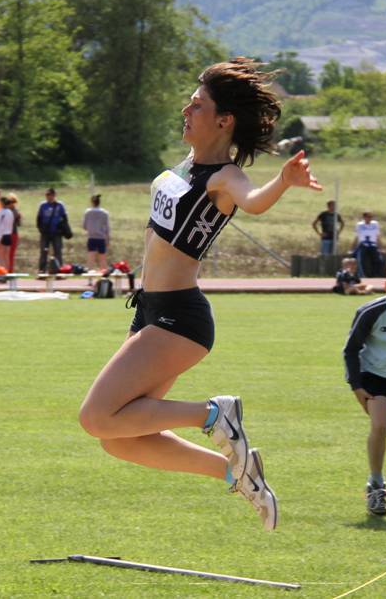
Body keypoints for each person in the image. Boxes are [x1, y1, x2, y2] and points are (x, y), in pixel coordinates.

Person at [79, 57, 322, 532]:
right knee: (119, 438)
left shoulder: (224, 178)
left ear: (223, 120)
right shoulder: (191, 163)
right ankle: (236, 471)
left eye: (198, 105)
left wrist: (285, 182)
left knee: (95, 417)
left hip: (179, 318)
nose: (187, 111)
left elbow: (252, 201)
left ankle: (215, 414)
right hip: (151, 314)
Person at [343, 257, 386, 518]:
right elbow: (351, 350)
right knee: (381, 425)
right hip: (374, 377)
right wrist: (357, 387)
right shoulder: (371, 312)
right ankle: (375, 483)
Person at [36, 187, 68, 271]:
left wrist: (61, 229)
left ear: (54, 195)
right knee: (43, 251)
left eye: (51, 195)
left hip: (56, 232)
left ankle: (59, 269)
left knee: (58, 251)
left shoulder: (59, 205)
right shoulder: (43, 205)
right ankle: (42, 269)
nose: (49, 197)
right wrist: (41, 229)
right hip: (45, 233)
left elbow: (64, 218)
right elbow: (39, 218)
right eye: (47, 195)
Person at [351, 211, 384, 278]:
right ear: (364, 217)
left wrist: (381, 246)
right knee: (360, 260)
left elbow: (377, 236)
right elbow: (357, 236)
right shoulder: (360, 225)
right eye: (368, 217)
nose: (370, 218)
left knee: (379, 260)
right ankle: (362, 275)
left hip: (373, 245)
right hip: (363, 245)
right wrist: (352, 247)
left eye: (371, 217)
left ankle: (374, 275)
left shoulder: (375, 224)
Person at [83, 194, 111, 271]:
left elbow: (84, 226)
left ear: (92, 202)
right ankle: (104, 279)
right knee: (102, 260)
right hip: (101, 238)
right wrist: (108, 239)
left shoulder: (87, 212)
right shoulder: (104, 213)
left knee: (90, 259)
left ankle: (90, 280)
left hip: (91, 238)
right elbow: (107, 228)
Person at [0, 197, 14, 269]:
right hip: (8, 235)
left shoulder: (0, 212)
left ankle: (2, 272)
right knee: (6, 256)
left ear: (2, 203)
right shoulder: (10, 212)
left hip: (1, 235)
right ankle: (6, 273)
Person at [7, 193, 22, 273]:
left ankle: (10, 271)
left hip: (13, 234)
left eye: (13, 201)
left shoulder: (16, 212)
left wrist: (18, 217)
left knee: (11, 254)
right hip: (6, 234)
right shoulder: (5, 210)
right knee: (5, 254)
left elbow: (19, 224)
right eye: (10, 201)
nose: (12, 203)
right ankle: (4, 270)